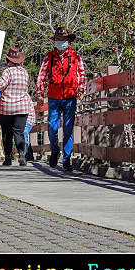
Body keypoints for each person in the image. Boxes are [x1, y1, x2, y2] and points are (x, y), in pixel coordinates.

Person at [35, 27, 86, 172]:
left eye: (63, 40)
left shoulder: (76, 56)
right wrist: (39, 93)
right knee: (52, 126)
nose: (60, 42)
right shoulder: (49, 57)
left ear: (68, 40)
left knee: (68, 129)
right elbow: (42, 75)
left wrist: (80, 89)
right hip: (54, 96)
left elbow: (81, 73)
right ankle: (54, 149)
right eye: (58, 40)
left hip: (70, 96)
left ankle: (66, 159)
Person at [0, 47, 32, 166]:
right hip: (22, 106)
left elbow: (0, 84)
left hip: (7, 107)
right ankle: (22, 154)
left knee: (7, 133)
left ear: (9, 61)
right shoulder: (24, 72)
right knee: (19, 132)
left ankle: (8, 157)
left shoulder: (7, 72)